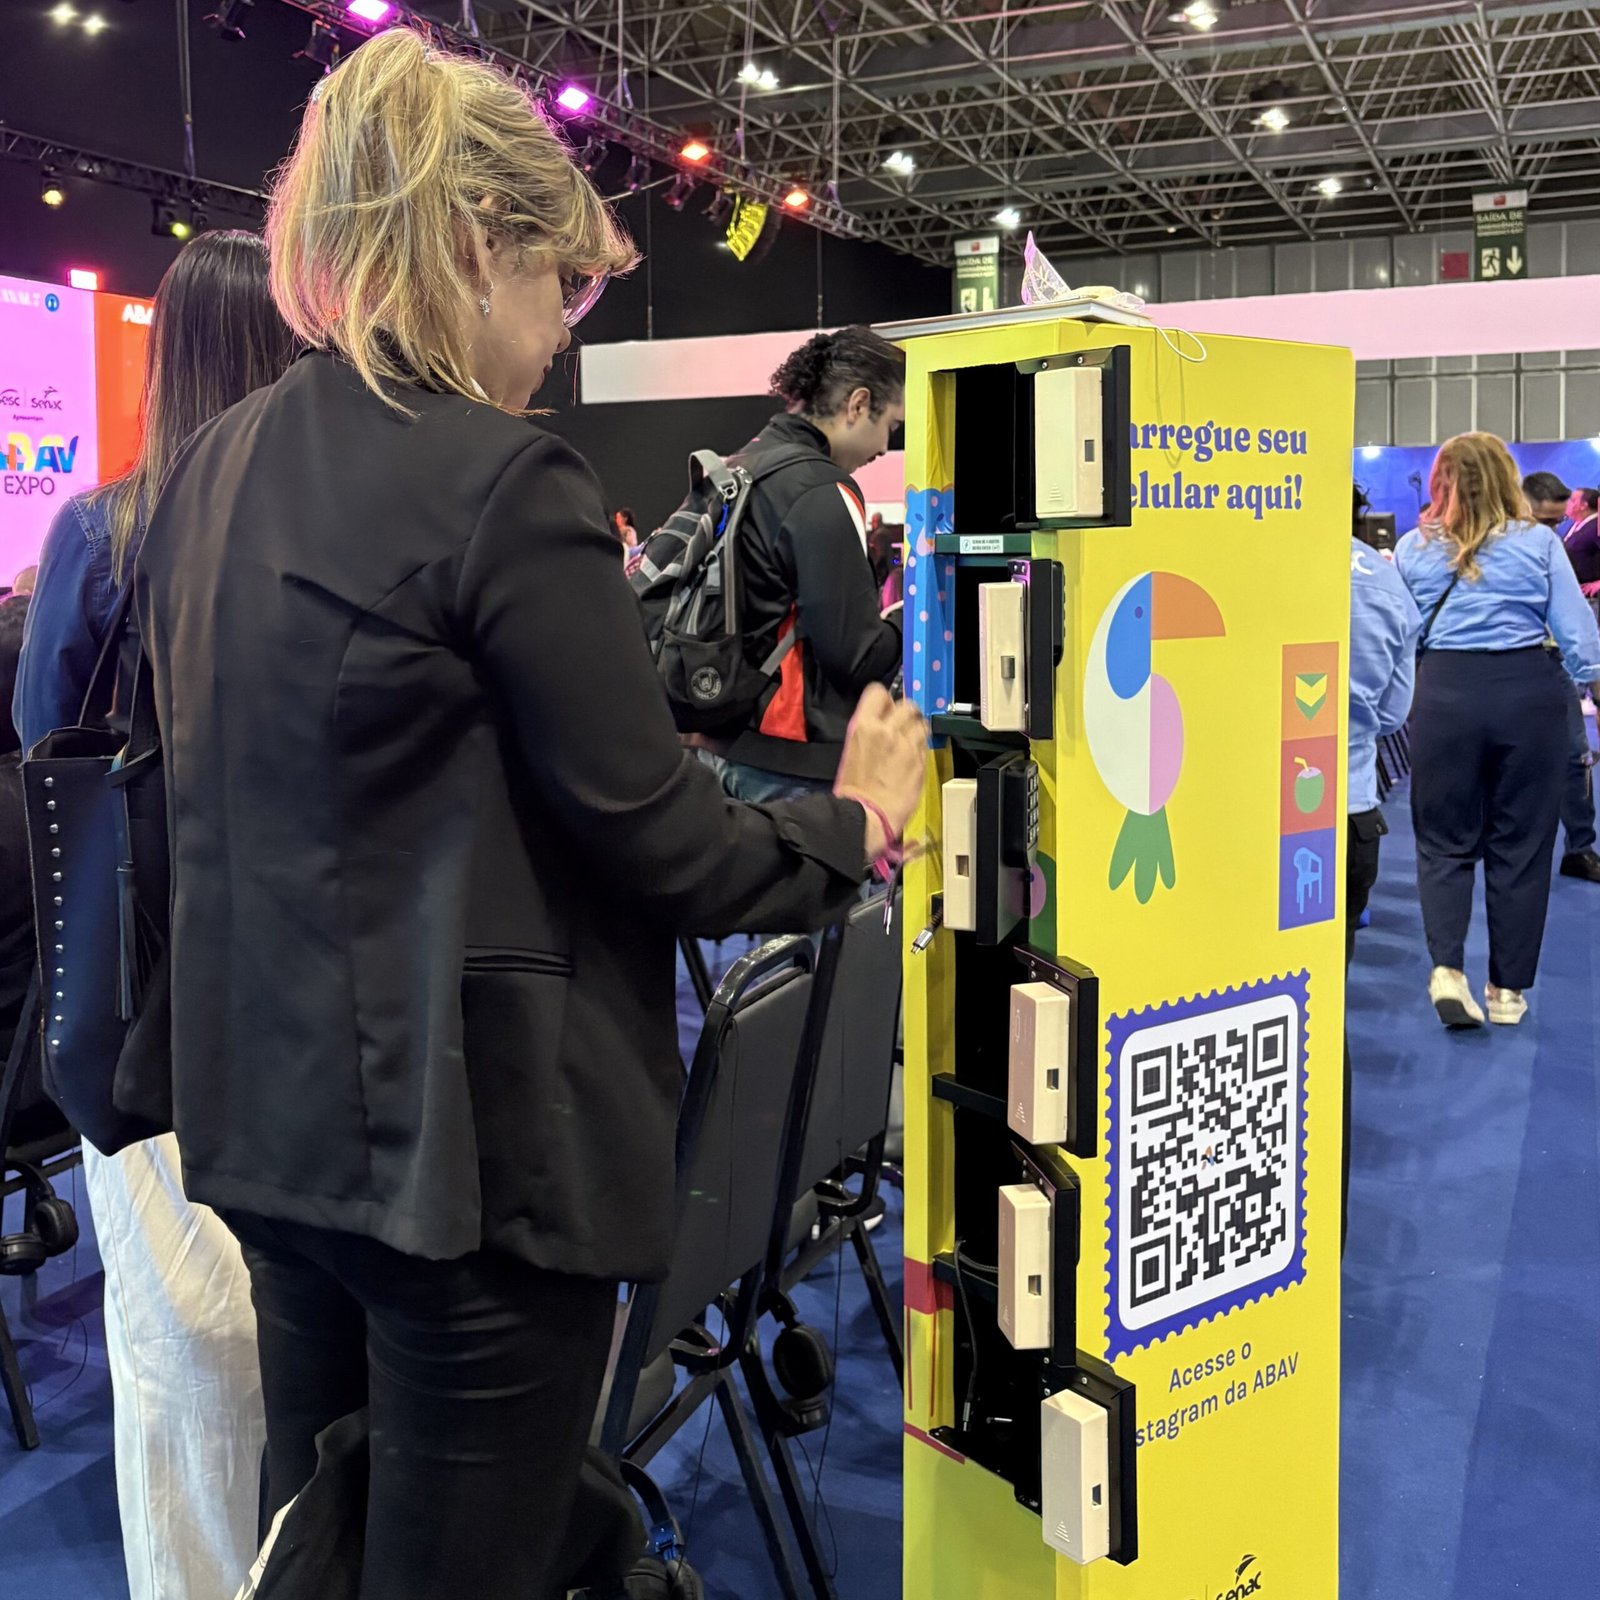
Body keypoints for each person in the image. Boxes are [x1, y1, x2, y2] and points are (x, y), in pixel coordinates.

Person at [133, 31, 926, 1600]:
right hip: (474, 1172)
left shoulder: (213, 466)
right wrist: (857, 826)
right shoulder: (504, 481)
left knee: (320, 1545)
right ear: (474, 244)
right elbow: (664, 839)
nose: (561, 338)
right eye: (560, 286)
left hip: (268, 1133)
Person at [13, 230, 296, 1600]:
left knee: (183, 1342)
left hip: (135, 990)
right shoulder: (313, 540)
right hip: (292, 980)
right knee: (267, 1328)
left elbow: (45, 748)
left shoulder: (103, 533)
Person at [1398, 433, 1600, 1028]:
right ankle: (1506, 992)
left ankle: (1447, 970)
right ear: (1509, 478)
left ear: (1441, 483)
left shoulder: (1412, 547)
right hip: (1528, 695)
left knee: (1442, 839)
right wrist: (1589, 684)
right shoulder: (1539, 542)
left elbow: (1401, 635)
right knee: (1522, 845)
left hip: (1443, 694)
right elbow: (1579, 638)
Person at [702, 326, 907, 804]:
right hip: (790, 765)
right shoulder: (818, 488)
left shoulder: (742, 466)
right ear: (858, 404)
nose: (884, 447)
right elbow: (857, 658)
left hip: (721, 746)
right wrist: (910, 614)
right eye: (891, 425)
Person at [1343, 520, 1421, 1246]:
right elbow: (1395, 712)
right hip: (1348, 814)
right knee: (1319, 1015)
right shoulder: (1383, 578)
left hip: (1247, 828)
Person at [1522, 476, 1600, 884]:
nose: (1552, 529)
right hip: (1503, 669)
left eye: (1557, 521)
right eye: (1544, 520)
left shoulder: (1551, 547)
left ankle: (1580, 848)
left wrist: (1593, 679)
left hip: (1554, 665)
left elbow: (1574, 621)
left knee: (1576, 757)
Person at [1564, 485, 1600, 587]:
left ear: (1584, 505)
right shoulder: (1576, 525)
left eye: (1572, 500)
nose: (1567, 504)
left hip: (1589, 591)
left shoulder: (1596, 526)